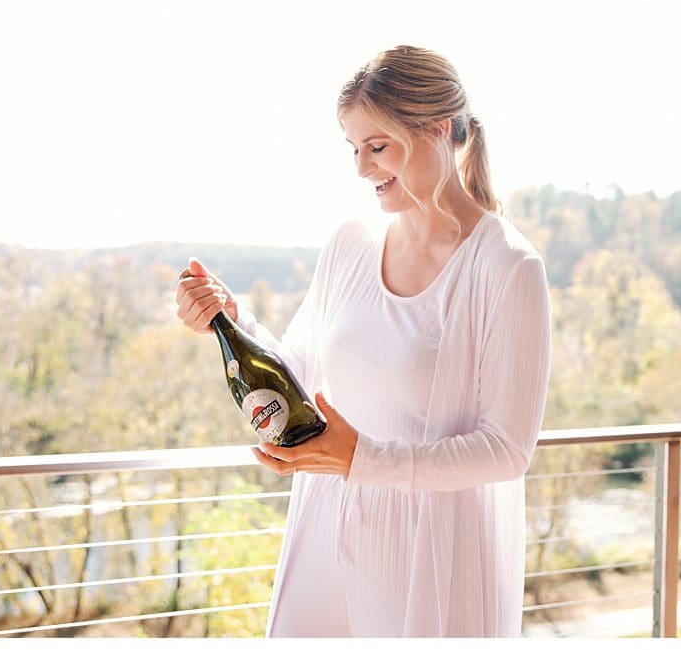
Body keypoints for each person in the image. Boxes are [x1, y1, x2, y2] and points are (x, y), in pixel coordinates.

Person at [175, 46, 550, 636]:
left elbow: (508, 449)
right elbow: (295, 370)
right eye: (354, 149)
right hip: (329, 528)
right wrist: (230, 320)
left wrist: (364, 461)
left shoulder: (507, 267)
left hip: (434, 553)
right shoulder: (350, 243)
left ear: (438, 129)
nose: (361, 168)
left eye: (377, 147)